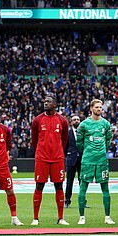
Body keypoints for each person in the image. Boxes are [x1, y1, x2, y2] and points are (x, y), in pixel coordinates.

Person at [31, 94, 69, 225]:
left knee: (59, 186)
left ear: (55, 104)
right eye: (44, 101)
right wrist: (41, 151)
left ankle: (60, 218)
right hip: (42, 157)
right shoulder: (37, 120)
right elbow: (34, 140)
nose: (45, 103)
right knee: (39, 185)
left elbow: (64, 140)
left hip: (57, 158)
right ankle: (35, 218)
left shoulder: (62, 120)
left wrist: (58, 151)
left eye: (48, 101)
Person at [76, 99, 115, 225]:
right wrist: (88, 151)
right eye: (97, 107)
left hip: (102, 160)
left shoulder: (106, 124)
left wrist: (101, 151)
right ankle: (81, 217)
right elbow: (79, 144)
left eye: (100, 107)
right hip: (88, 160)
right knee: (83, 187)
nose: (99, 109)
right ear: (91, 108)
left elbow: (108, 140)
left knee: (105, 188)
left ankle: (107, 217)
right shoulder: (84, 124)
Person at [64, 114, 82, 209]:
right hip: (71, 160)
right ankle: (67, 201)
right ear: (71, 122)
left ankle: (82, 201)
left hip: (82, 160)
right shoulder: (67, 133)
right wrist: (68, 155)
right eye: (74, 119)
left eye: (78, 119)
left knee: (82, 182)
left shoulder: (83, 133)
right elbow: (64, 147)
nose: (76, 121)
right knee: (69, 182)